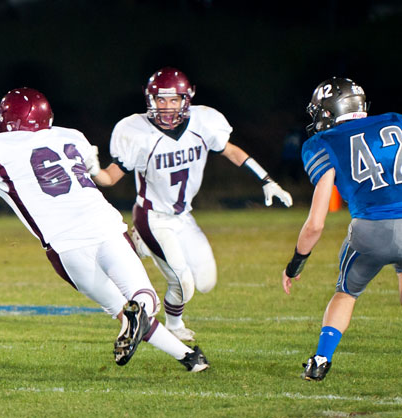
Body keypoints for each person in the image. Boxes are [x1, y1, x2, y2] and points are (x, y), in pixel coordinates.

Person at [0, 87, 210, 373]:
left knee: (118, 308)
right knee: (141, 299)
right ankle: (180, 350)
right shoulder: (71, 136)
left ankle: (186, 356)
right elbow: (97, 174)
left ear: (4, 122)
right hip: (104, 226)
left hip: (65, 246)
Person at [87, 67, 293, 341]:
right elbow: (111, 178)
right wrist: (92, 170)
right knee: (184, 283)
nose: (167, 107)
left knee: (207, 283)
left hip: (184, 216)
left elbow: (231, 151)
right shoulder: (136, 131)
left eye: (174, 100)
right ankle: (174, 324)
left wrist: (267, 179)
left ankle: (144, 245)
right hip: (152, 216)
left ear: (187, 99)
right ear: (150, 100)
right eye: (161, 100)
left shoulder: (204, 122)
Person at [282, 77, 402, 381]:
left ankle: (321, 360)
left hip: (371, 231)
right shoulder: (395, 121)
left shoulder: (323, 143)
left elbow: (316, 224)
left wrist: (297, 262)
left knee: (346, 293)